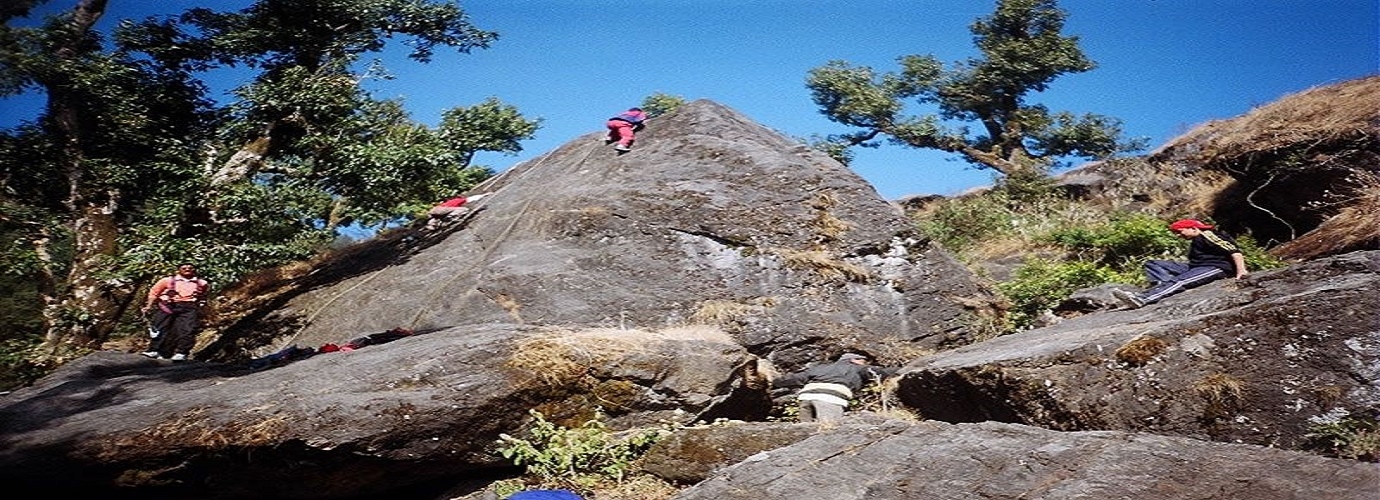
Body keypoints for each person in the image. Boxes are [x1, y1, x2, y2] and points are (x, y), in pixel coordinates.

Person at [1113, 218, 1248, 309]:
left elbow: (1234, 251)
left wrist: (1241, 271)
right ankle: (1162, 288)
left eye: (1179, 231)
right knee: (1152, 263)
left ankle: (1143, 299)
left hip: (1216, 267)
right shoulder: (1197, 240)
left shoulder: (1209, 235)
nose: (1178, 235)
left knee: (1180, 281)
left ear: (1193, 228)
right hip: (1195, 267)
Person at [771, 353, 899, 423]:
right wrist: (900, 371)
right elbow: (879, 373)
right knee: (829, 429)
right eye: (863, 361)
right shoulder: (858, 368)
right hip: (831, 397)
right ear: (854, 360)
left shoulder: (820, 367)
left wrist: (773, 382)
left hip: (806, 397)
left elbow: (794, 378)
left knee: (805, 429)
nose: (865, 363)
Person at [141, 263, 210, 361]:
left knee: (187, 329)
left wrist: (202, 306)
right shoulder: (166, 281)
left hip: (189, 307)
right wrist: (149, 306)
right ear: (178, 270)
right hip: (167, 306)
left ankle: (181, 352)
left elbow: (203, 295)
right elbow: (154, 292)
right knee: (159, 328)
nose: (187, 269)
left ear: (194, 270)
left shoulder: (202, 283)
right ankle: (154, 350)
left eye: (190, 268)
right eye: (184, 268)